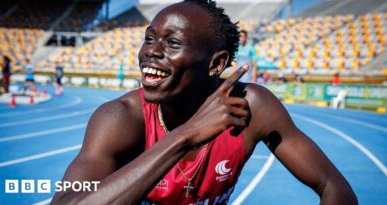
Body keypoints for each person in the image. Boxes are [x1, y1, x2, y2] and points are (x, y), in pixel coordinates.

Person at [51, 1, 357, 204]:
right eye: (149, 39)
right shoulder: (119, 118)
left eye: (172, 43)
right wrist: (185, 136)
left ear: (216, 64)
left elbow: (335, 187)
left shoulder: (252, 107)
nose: (150, 52)